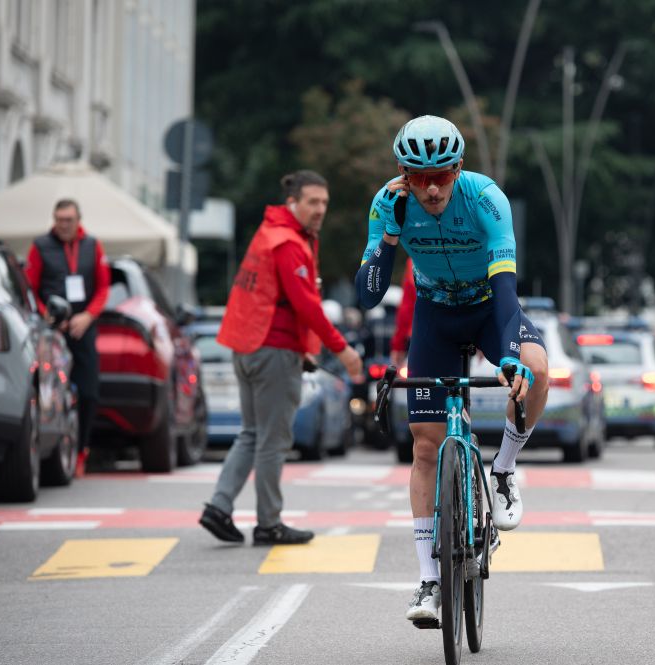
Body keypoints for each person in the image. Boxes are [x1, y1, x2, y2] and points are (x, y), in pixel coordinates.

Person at [355, 115, 549, 624]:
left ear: (458, 168)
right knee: (424, 444)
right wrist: (387, 238)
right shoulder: (388, 203)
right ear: (404, 174)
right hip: (434, 315)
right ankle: (429, 583)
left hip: (489, 308)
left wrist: (508, 355)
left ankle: (503, 470)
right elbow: (368, 294)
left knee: (536, 367)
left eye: (442, 175)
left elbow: (507, 291)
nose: (432, 188)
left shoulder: (486, 199)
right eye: (419, 177)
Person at [199, 170, 363, 546]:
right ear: (293, 203)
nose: (320, 209)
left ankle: (219, 507)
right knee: (273, 441)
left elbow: (280, 300)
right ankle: (268, 523)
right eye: (312, 202)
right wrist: (342, 349)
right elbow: (307, 305)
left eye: (324, 202)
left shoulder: (269, 234)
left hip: (247, 346)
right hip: (272, 351)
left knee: (252, 434)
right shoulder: (288, 243)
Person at [24, 199, 111, 477]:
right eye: (59, 219)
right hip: (52, 330)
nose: (64, 225)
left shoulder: (92, 246)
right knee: (48, 390)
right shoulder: (40, 246)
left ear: (78, 221)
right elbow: (30, 288)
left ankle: (82, 449)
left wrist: (88, 316)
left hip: (82, 327)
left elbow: (103, 287)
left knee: (89, 392)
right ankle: (50, 450)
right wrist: (48, 316)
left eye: (69, 220)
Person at [390, 257, 416, 368]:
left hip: (425, 333)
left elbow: (407, 308)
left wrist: (398, 346)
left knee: (422, 382)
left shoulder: (417, 258)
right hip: (465, 333)